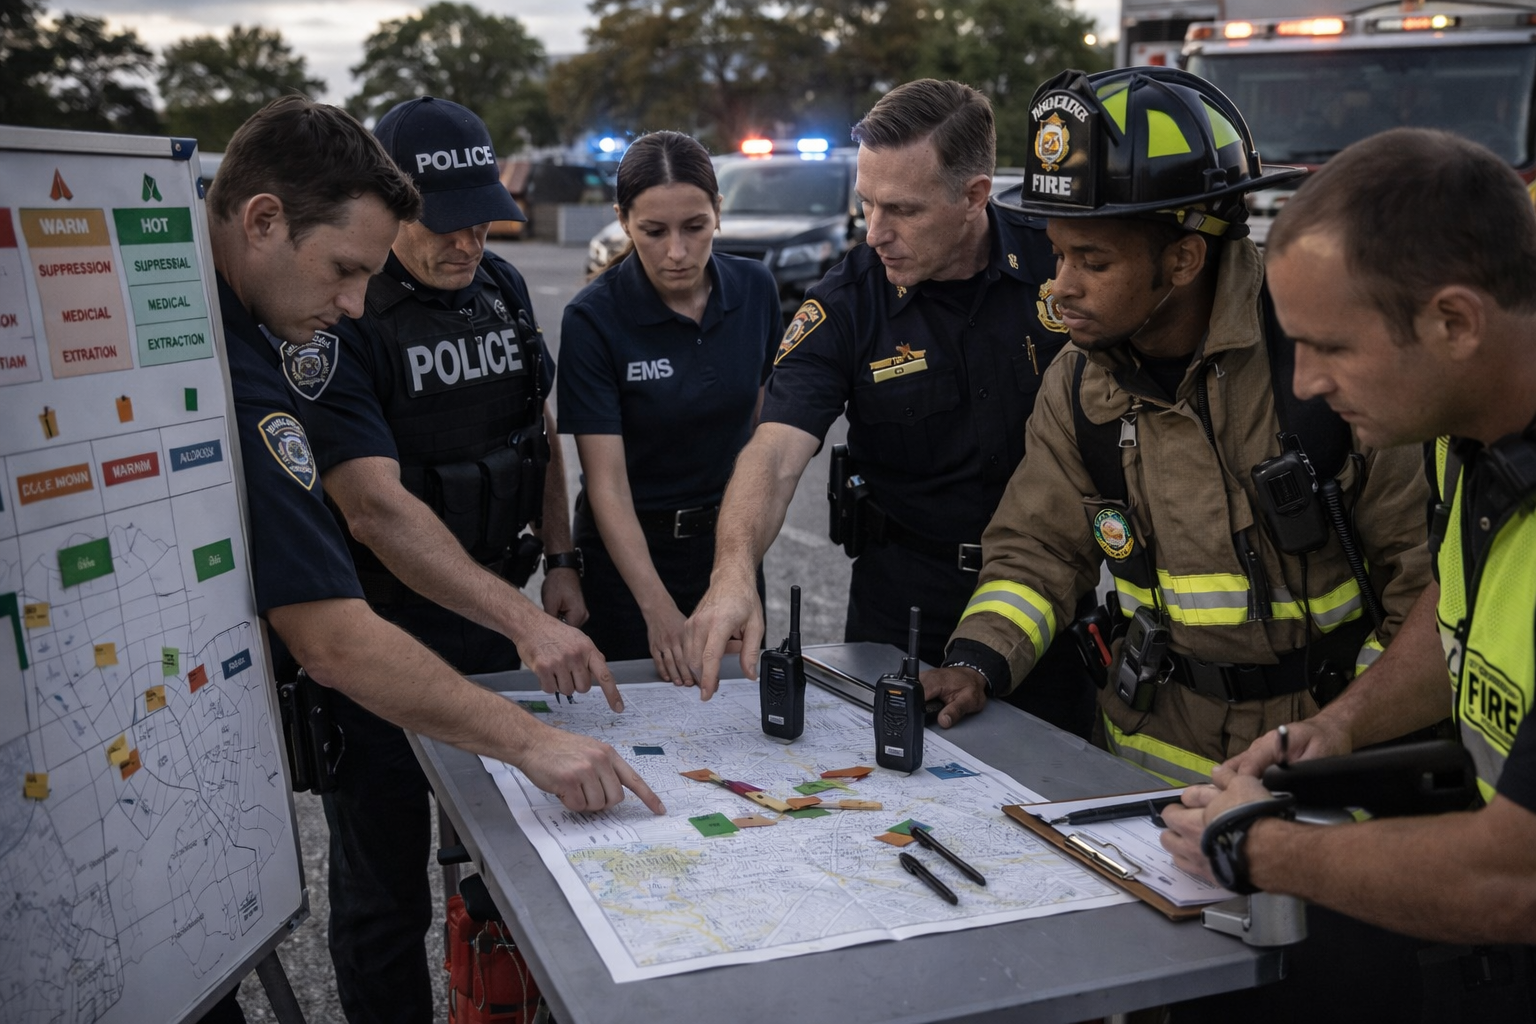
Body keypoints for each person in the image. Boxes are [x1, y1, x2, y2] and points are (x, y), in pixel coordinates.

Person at [204, 96, 664, 1023]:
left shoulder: (497, 287)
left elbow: (530, 430)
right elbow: (373, 512)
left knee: (521, 863)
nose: (467, 243)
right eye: (444, 227)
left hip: (493, 613)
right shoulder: (321, 330)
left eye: (481, 222)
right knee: (383, 895)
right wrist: (525, 628)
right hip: (382, 628)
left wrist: (557, 566)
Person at [918, 68, 1432, 784]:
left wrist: (1348, 728)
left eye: (1092, 261)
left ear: (1184, 258)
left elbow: (1430, 585)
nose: (1058, 285)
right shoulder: (1075, 386)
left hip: (1327, 770)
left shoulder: (1318, 366)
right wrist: (975, 660)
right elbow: (1037, 551)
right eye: (1058, 254)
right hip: (1144, 767)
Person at [1159, 129, 1536, 1007]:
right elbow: (1464, 602)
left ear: (1454, 321)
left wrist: (1252, 845)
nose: (1307, 385)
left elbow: (1516, 878)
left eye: (1330, 347)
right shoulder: (1471, 434)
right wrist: (1344, 726)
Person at [684, 78, 1094, 735]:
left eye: (902, 210)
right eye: (867, 205)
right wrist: (732, 571)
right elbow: (776, 452)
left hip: (1052, 601)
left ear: (974, 196)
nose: (876, 233)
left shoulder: (1062, 265)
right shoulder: (848, 303)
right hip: (902, 609)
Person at [556, 131, 780, 681]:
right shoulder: (593, 318)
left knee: (735, 715)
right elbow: (605, 484)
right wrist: (656, 611)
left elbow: (766, 445)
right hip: (628, 561)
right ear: (623, 220)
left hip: (728, 544)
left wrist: (737, 569)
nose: (676, 252)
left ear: (718, 214)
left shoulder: (755, 290)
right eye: (654, 231)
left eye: (695, 227)